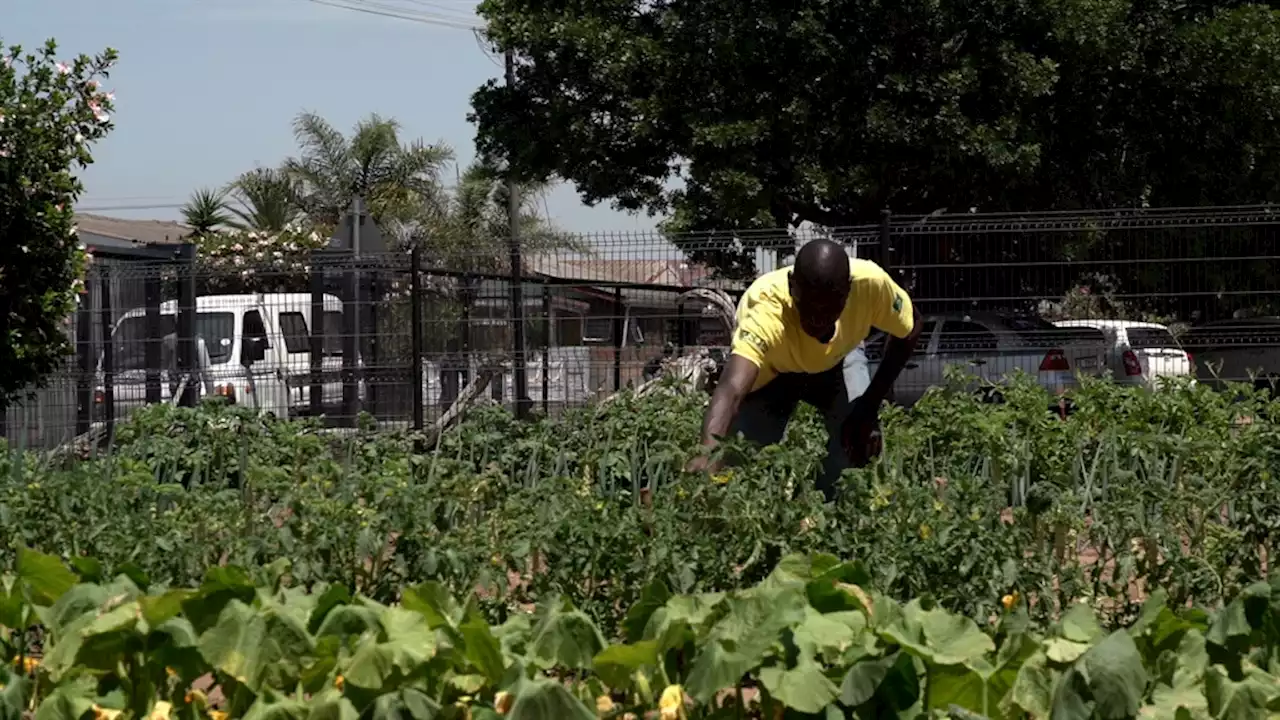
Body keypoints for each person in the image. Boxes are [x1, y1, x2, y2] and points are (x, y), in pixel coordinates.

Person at [685, 239, 923, 501]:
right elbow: (731, 388)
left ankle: (829, 515)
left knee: (857, 442)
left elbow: (911, 329)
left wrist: (868, 406)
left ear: (848, 292)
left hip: (838, 361)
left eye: (831, 308)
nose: (818, 319)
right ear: (792, 288)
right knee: (737, 459)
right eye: (809, 307)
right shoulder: (766, 308)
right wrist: (707, 452)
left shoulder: (870, 286)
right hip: (775, 376)